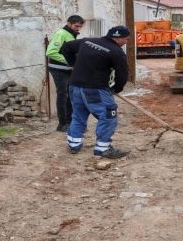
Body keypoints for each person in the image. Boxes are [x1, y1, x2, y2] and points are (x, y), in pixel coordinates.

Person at [60, 25, 131, 159]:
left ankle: (73, 144)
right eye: (126, 39)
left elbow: (66, 47)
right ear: (119, 38)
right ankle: (102, 148)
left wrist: (72, 64)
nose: (126, 42)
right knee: (109, 116)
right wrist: (116, 89)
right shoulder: (117, 52)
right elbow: (122, 75)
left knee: (78, 114)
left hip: (74, 85)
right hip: (95, 89)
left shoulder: (87, 41)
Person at [45, 15, 85, 132]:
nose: (78, 29)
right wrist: (69, 61)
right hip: (58, 69)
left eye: (80, 27)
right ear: (69, 23)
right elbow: (51, 52)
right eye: (76, 26)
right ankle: (62, 124)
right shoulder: (61, 34)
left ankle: (70, 122)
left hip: (67, 69)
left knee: (70, 96)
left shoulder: (71, 34)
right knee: (63, 95)